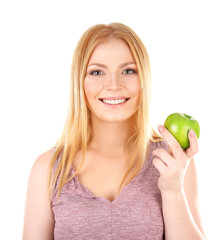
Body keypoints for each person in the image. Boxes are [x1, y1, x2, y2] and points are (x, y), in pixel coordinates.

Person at [22, 22, 206, 240]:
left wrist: (173, 192)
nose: (113, 85)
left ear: (143, 79)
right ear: (79, 82)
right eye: (97, 72)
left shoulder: (172, 162)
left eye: (128, 70)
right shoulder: (48, 169)